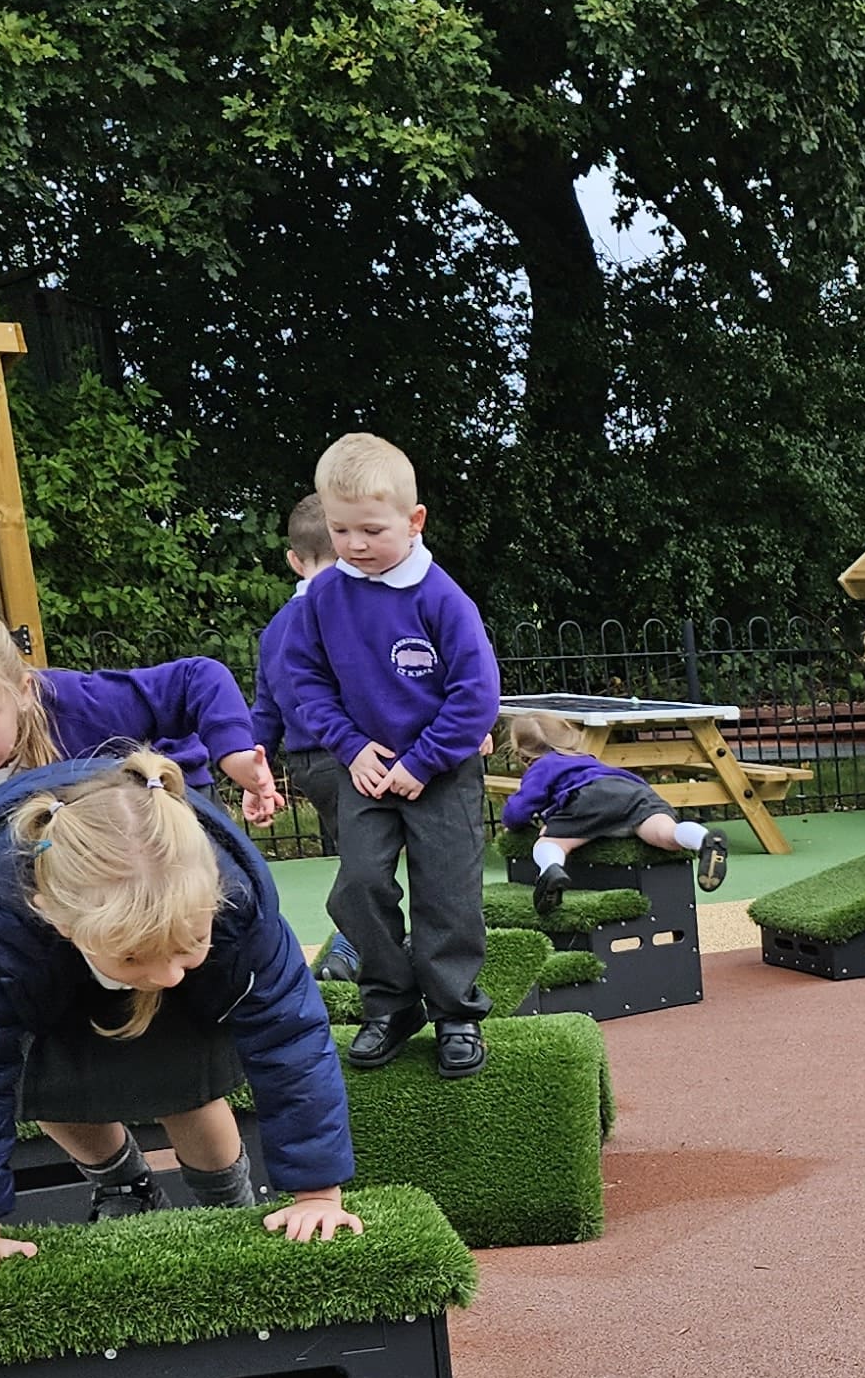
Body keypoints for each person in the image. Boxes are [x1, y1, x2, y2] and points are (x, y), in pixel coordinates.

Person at [0, 751, 359, 1253]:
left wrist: (317, 1193)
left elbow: (292, 1040)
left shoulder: (235, 905)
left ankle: (230, 1201)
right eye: (136, 957)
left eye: (187, 946)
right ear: (58, 920)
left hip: (156, 946)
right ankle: (124, 1182)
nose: (164, 975)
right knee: (39, 1080)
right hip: (39, 969)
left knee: (189, 1080)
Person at [0, 595, 273, 1071]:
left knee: (185, 923)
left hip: (158, 814)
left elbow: (197, 677)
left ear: (23, 690)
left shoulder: (84, 706)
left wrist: (234, 751)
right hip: (70, 848)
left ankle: (231, 1002)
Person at [269, 431, 501, 1079]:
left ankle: (455, 1012)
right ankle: (392, 1005)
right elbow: (302, 681)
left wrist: (421, 762)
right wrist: (349, 745)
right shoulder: (323, 598)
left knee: (447, 894)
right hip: (365, 769)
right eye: (341, 531)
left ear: (414, 520)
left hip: (442, 770)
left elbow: (476, 695)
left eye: (371, 530)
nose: (355, 545)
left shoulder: (442, 599)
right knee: (360, 886)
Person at [496, 708, 728, 919]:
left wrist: (513, 823)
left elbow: (518, 811)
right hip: (633, 792)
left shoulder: (542, 766)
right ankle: (703, 840)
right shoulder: (586, 760)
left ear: (522, 754)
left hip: (589, 798)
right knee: (665, 833)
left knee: (549, 841)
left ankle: (551, 870)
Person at [255, 494, 346, 856]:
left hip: (305, 764)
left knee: (350, 849)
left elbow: (265, 707)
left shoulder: (276, 627)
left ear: (294, 561)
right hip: (347, 754)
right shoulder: (344, 613)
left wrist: (254, 773)